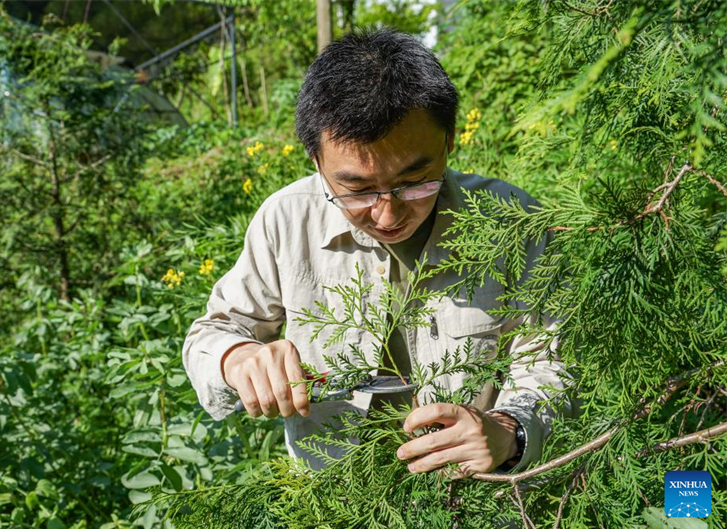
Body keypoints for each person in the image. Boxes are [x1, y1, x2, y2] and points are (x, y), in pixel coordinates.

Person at [183, 29, 571, 475]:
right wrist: (238, 359)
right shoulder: (286, 221)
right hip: (333, 503)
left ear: (449, 143)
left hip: (477, 502)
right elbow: (212, 333)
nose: (387, 216)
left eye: (415, 182)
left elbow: (551, 362)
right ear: (316, 161)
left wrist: (508, 431)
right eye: (357, 190)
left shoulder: (513, 221)